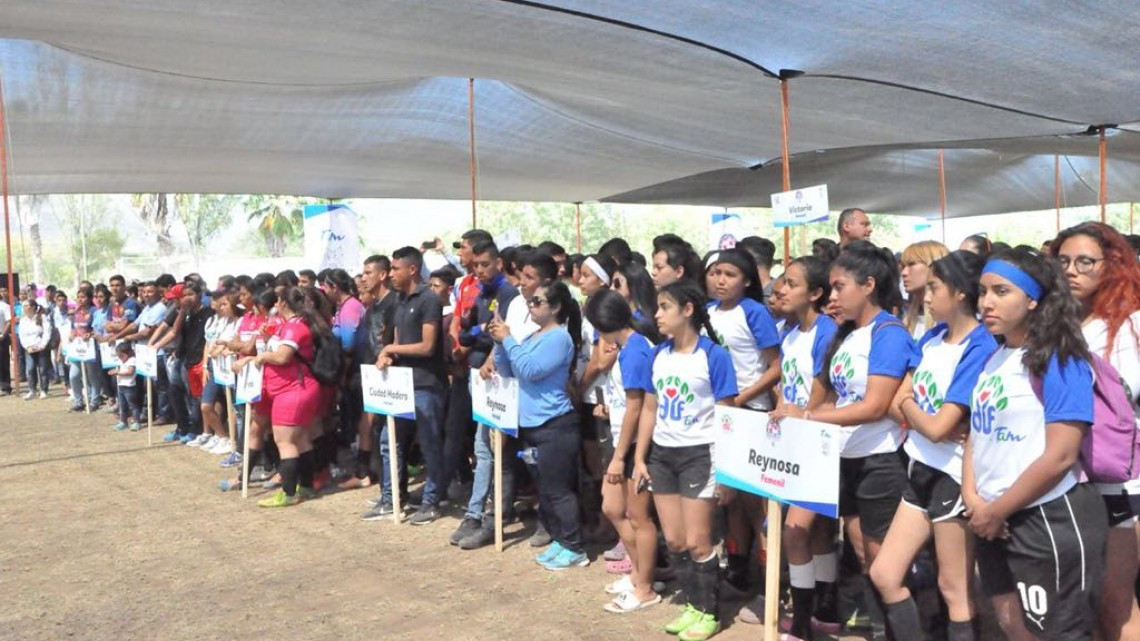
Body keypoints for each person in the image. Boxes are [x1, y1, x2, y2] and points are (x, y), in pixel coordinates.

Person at [772, 241, 916, 641]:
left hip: (880, 460)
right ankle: (863, 624)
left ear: (868, 285)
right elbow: (836, 393)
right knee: (862, 553)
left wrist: (807, 416)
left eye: (839, 287)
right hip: (845, 455)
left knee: (881, 561)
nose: (832, 296)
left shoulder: (888, 334)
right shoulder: (850, 334)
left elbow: (874, 406)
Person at [965, 248, 1107, 641]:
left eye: (1001, 291)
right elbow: (977, 433)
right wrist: (974, 500)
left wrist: (997, 511)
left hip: (1047, 518)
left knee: (1057, 633)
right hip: (992, 519)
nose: (986, 302)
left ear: (1032, 300)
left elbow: (1061, 455)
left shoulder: (1060, 359)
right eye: (982, 291)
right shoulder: (994, 357)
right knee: (1013, 625)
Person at [869, 250, 996, 641]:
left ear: (960, 293)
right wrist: (916, 411)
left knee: (954, 587)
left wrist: (913, 410)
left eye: (935, 287)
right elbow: (898, 404)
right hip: (919, 467)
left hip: (953, 476)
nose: (926, 295)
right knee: (884, 573)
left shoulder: (980, 344)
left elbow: (941, 426)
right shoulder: (932, 336)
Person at [740, 256, 840, 631]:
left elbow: (821, 394)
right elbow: (785, 382)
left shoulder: (826, 333)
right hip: (795, 441)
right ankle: (825, 610)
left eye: (791, 283)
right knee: (812, 532)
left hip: (815, 442)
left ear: (815, 293)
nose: (780, 288)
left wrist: (799, 417)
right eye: (781, 280)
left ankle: (801, 621)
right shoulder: (790, 331)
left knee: (795, 529)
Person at [1051, 222, 1140, 641]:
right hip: (1063, 482)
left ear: (1113, 266)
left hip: (1121, 484)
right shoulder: (1050, 326)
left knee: (1114, 600)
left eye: (1085, 262)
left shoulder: (1131, 325)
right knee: (1081, 602)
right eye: (1064, 261)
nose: (1072, 271)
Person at [636, 280, 738, 641]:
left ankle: (709, 612)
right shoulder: (657, 355)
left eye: (665, 307)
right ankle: (693, 605)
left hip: (701, 455)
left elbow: (728, 415)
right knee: (675, 541)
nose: (657, 315)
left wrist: (725, 472)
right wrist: (640, 457)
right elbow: (650, 408)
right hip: (663, 456)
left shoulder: (713, 356)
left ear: (688, 310)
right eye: (657, 307)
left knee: (698, 542)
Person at [489, 280, 586, 569]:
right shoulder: (532, 336)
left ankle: (574, 545)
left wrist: (508, 340)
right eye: (531, 301)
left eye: (537, 301)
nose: (531, 305)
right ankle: (559, 538)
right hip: (532, 425)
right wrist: (499, 344)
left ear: (555, 307)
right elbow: (510, 370)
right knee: (544, 489)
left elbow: (531, 371)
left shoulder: (559, 338)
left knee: (558, 488)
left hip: (555, 424)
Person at [585, 289, 662, 612]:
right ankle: (637, 573)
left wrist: (620, 457)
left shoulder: (634, 351)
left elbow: (637, 406)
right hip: (621, 440)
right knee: (613, 508)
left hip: (633, 446)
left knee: (638, 515)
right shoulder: (629, 347)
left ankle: (645, 586)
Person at [446, 240, 521, 547]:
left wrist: (480, 332)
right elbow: (466, 332)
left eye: (484, 265)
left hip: (500, 379)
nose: (479, 271)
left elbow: (502, 334)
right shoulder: (482, 293)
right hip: (477, 376)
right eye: (474, 266)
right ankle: (476, 512)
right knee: (482, 448)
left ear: (499, 263)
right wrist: (480, 329)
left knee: (496, 450)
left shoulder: (508, 294)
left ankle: (492, 515)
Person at [376, 246, 448, 525]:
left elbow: (428, 346)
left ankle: (432, 501)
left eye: (395, 269)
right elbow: (394, 338)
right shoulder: (399, 300)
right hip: (399, 384)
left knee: (430, 444)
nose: (391, 274)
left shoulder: (429, 299)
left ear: (412, 269)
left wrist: (394, 347)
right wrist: (386, 354)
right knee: (389, 442)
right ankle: (391, 497)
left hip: (426, 385)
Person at [236, 287, 324, 508]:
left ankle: (288, 492)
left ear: (283, 303)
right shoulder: (287, 325)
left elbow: (283, 357)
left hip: (294, 390)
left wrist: (263, 356)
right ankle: (305, 486)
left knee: (285, 441)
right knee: (300, 439)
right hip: (289, 388)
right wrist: (265, 342)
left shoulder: (296, 327)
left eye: (277, 300)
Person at [198, 292, 240, 454]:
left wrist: (222, 348)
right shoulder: (217, 322)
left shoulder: (239, 322)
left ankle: (233, 442)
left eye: (224, 304)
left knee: (232, 406)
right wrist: (205, 364)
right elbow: (210, 344)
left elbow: (233, 342)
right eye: (219, 303)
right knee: (206, 405)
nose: (220, 307)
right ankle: (222, 436)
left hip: (230, 369)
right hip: (215, 368)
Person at [899, 241, 950, 339]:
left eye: (911, 264)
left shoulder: (950, 324)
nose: (904, 273)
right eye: (903, 266)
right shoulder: (906, 322)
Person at [18, 298, 51, 400]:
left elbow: (47, 332)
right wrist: (27, 347)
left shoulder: (42, 317)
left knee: (43, 369)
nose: (24, 308)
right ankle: (32, 390)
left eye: (26, 306)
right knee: (30, 369)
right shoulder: (23, 320)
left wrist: (42, 345)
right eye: (24, 306)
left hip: (42, 347)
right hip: (30, 348)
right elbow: (22, 335)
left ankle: (44, 390)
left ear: (33, 307)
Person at [109, 342, 141, 432]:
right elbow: (120, 369)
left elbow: (130, 372)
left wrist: (118, 373)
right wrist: (115, 371)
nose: (120, 358)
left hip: (129, 386)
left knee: (133, 405)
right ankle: (123, 421)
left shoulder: (132, 360)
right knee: (122, 405)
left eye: (121, 356)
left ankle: (136, 422)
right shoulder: (121, 361)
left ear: (128, 353)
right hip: (121, 386)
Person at [0, 284, 12, 395]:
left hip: (1, 337)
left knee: (3, 362)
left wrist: (3, 334)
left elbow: (9, 321)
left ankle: (5, 386)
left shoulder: (4, 306)